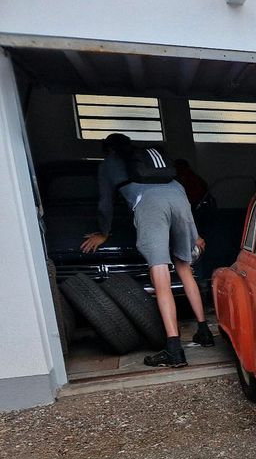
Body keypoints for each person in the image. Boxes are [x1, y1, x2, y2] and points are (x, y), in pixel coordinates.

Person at [80, 133, 214, 368]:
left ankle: (174, 350)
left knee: (160, 275)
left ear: (107, 149)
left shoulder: (109, 164)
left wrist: (104, 232)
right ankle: (204, 333)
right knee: (184, 268)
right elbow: (177, 192)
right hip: (179, 198)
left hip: (150, 205)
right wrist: (196, 235)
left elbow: (105, 203)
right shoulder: (149, 160)